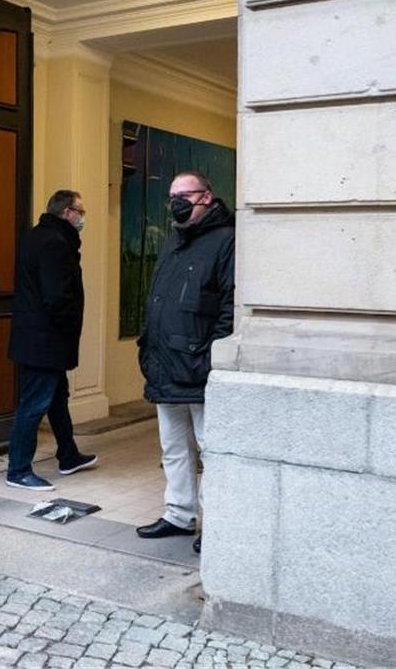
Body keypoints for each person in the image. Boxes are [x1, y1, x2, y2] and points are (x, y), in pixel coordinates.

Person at [135, 171, 234, 554]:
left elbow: (229, 304)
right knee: (173, 448)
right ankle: (178, 513)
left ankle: (216, 525)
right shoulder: (174, 241)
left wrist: (212, 355)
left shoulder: (226, 239)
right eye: (171, 196)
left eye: (184, 194)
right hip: (165, 363)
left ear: (206, 196)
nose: (176, 202)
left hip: (199, 366)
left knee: (210, 451)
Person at [4, 190, 98, 491]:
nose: (82, 218)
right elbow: (57, 297)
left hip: (37, 338)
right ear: (67, 212)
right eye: (80, 212)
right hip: (45, 341)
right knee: (34, 404)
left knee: (57, 399)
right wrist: (68, 327)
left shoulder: (36, 236)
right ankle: (18, 469)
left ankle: (68, 455)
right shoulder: (55, 244)